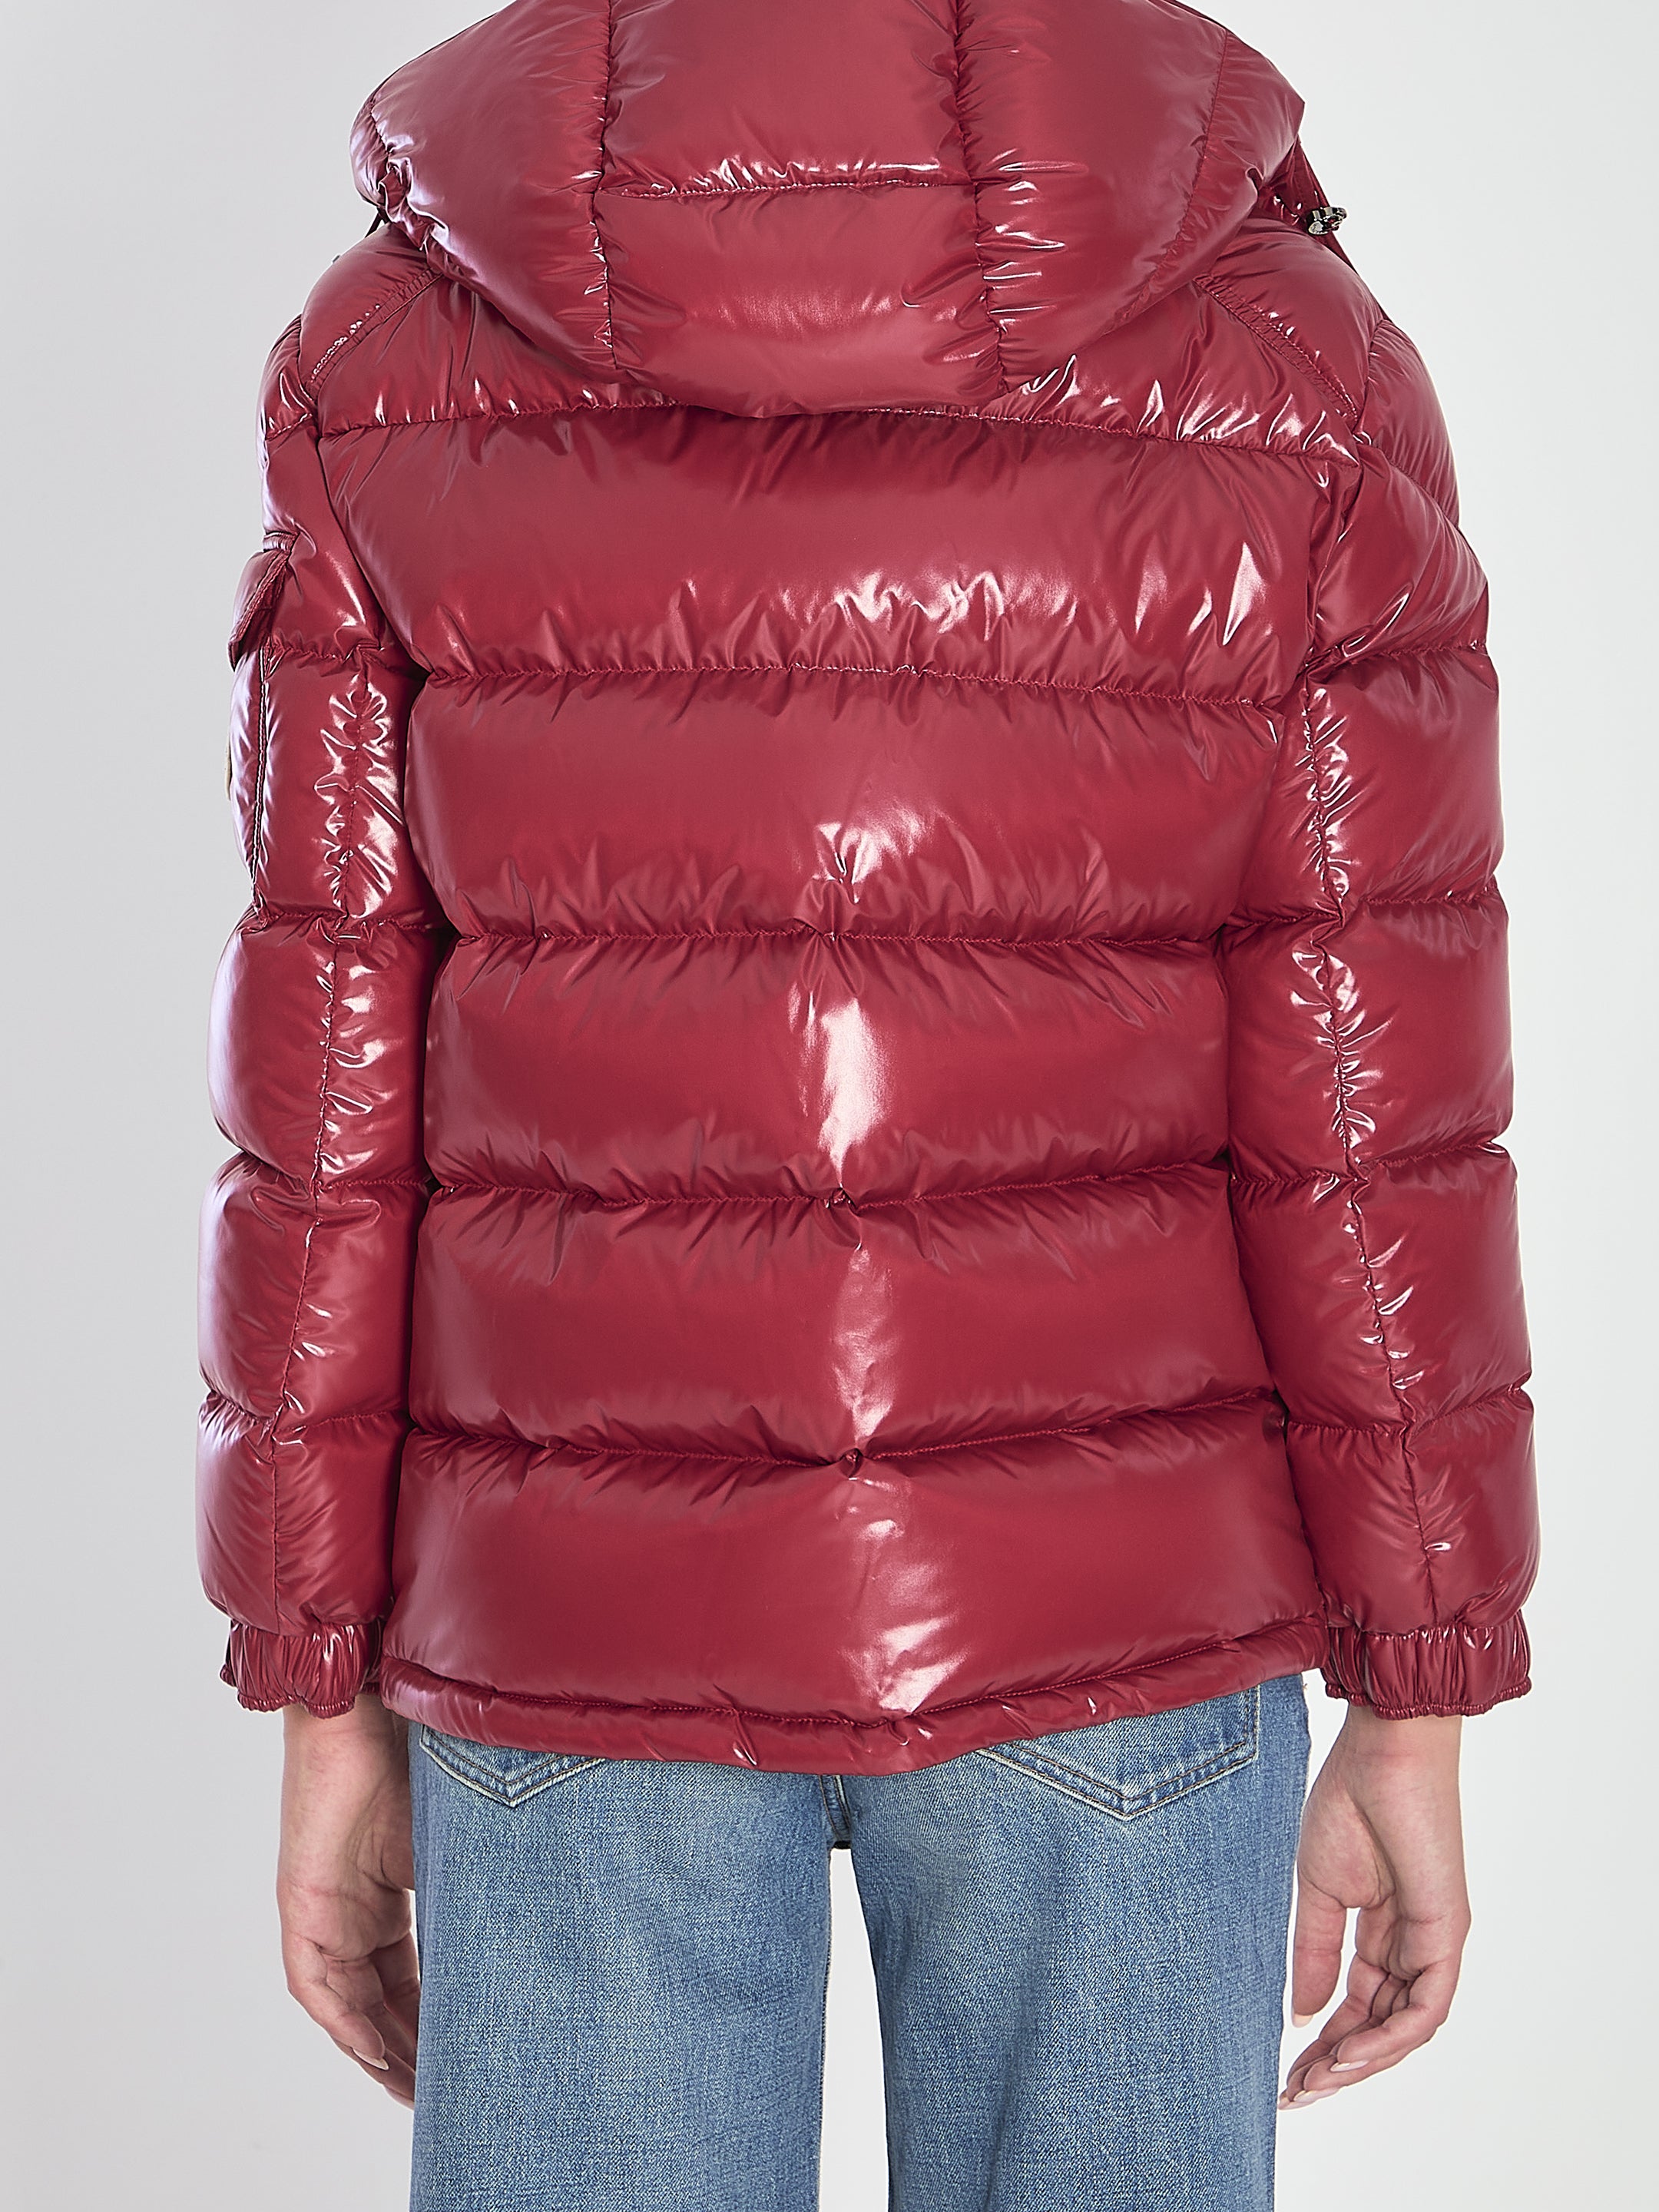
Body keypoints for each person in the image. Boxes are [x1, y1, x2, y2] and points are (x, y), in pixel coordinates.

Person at [198, 2, 1538, 2206]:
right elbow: (1378, 1117)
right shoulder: (1295, 371)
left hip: (568, 1628)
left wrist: (313, 1671)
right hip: (1119, 1622)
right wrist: (1422, 1673)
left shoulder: (394, 357)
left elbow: (323, 1093)